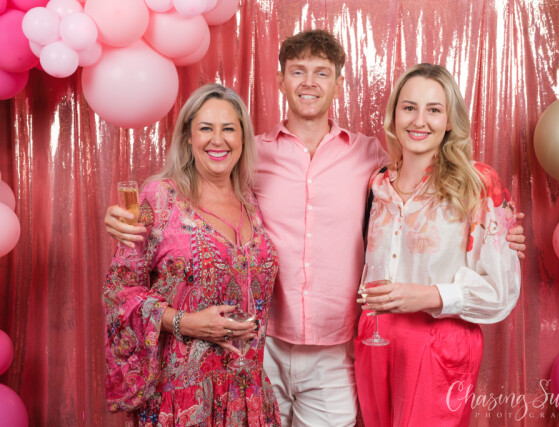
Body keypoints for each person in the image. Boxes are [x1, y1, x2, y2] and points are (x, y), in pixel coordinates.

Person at [104, 31, 526, 426]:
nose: (309, 82)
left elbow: (430, 192)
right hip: (259, 345)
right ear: (280, 80)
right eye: (298, 71)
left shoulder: (374, 160)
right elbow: (191, 201)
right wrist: (125, 220)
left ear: (339, 84)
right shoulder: (248, 156)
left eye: (322, 73)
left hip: (337, 351)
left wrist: (498, 232)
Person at [353, 63, 522, 427]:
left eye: (434, 109)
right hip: (375, 336)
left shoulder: (477, 183)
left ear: (449, 121)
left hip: (438, 341)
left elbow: (500, 292)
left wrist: (428, 296)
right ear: (394, 115)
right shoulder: (377, 184)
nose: (419, 121)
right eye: (409, 107)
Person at [103, 84, 281, 426]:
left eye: (229, 129)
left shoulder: (251, 200)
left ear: (243, 138)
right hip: (181, 400)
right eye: (206, 128)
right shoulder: (159, 197)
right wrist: (187, 322)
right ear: (188, 137)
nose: (218, 140)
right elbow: (119, 294)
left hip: (248, 393)